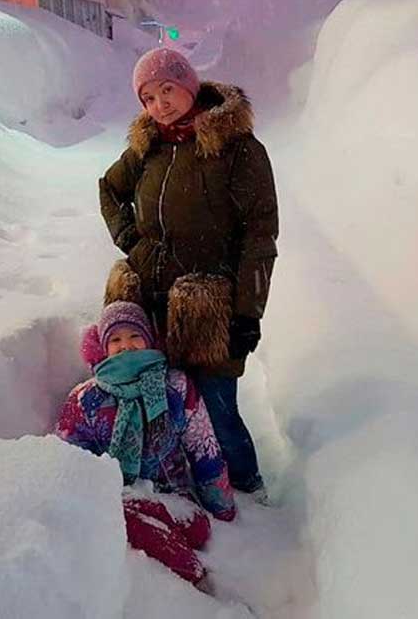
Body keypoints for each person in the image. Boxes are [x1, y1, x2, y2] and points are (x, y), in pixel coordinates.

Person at [98, 47, 279, 500]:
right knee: (168, 401)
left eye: (167, 90)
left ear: (189, 86)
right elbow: (110, 189)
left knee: (217, 408)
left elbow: (259, 236)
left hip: (210, 311)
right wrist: (131, 240)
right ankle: (182, 479)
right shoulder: (148, 146)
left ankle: (249, 489)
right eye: (148, 98)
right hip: (152, 303)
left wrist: (247, 314)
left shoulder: (237, 148)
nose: (160, 104)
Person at [55, 301, 236, 587]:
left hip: (173, 495)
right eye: (115, 339)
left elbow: (203, 447)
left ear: (149, 339)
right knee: (128, 519)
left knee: (197, 531)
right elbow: (69, 463)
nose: (126, 346)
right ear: (103, 346)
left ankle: (168, 543)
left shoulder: (176, 386)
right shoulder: (85, 399)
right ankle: (193, 577)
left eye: (134, 335)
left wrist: (223, 507)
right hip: (120, 496)